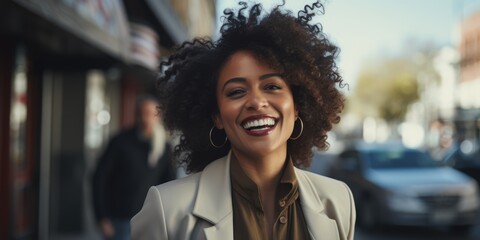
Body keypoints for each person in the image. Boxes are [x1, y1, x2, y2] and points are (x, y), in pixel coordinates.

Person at [131, 1, 355, 240]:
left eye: (272, 86)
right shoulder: (168, 209)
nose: (257, 102)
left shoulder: (338, 201)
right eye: (236, 91)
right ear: (217, 115)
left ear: (298, 106)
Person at [93, 96, 176, 240]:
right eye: (142, 113)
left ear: (158, 117)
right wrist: (102, 217)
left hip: (150, 220)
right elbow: (100, 178)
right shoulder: (120, 142)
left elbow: (170, 183)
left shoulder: (163, 147)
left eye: (150, 114)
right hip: (119, 220)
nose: (146, 118)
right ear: (136, 116)